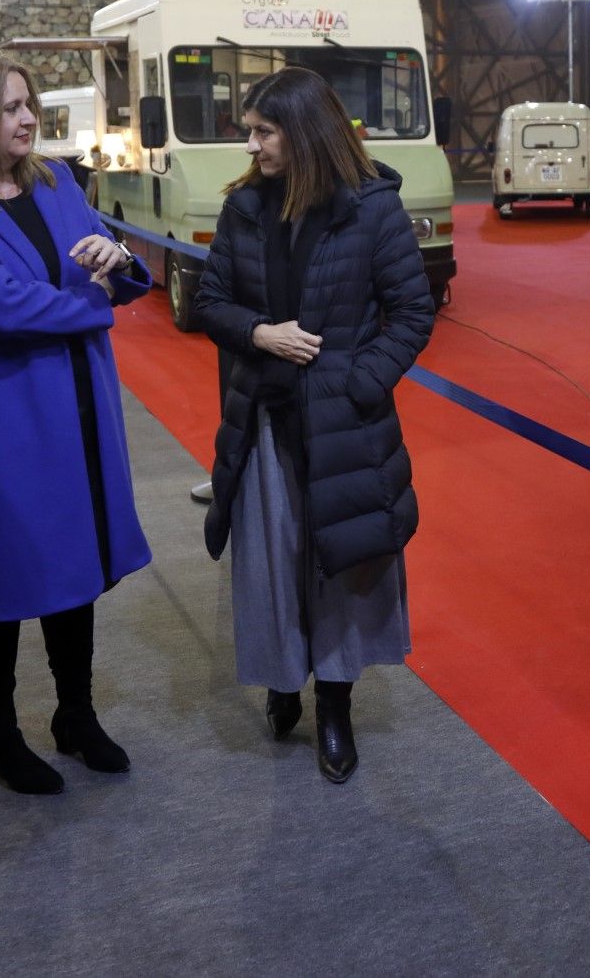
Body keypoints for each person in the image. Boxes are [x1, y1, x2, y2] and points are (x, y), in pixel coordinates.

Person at [0, 49, 153, 796]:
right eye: (10, 107)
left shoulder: (57, 181)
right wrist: (96, 300)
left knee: (75, 563)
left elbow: (110, 264)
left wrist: (117, 258)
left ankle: (74, 714)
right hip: (6, 415)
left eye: (28, 105)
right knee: (6, 576)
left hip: (79, 399)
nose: (26, 119)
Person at [194, 67, 434, 783]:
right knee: (271, 560)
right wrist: (261, 334)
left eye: (264, 131)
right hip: (263, 419)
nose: (253, 143)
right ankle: (281, 676)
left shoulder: (372, 208)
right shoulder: (244, 208)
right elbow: (209, 301)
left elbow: (412, 313)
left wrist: (358, 383)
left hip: (343, 427)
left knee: (340, 566)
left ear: (303, 133)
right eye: (252, 130)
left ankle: (335, 704)